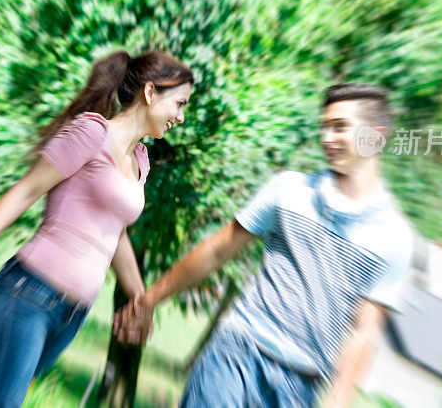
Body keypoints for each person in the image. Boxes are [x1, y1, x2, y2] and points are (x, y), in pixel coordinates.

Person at [115, 83, 414, 407]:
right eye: (325, 127)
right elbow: (218, 250)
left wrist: (339, 400)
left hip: (300, 387)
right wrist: (147, 302)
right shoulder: (289, 191)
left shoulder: (393, 238)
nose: (327, 139)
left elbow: (363, 333)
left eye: (340, 127)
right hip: (237, 350)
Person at [0, 49, 194, 408]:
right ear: (149, 93)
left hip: (71, 315)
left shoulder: (140, 161)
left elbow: (116, 234)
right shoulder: (91, 133)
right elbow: (26, 191)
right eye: (179, 103)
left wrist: (140, 301)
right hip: (28, 294)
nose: (181, 116)